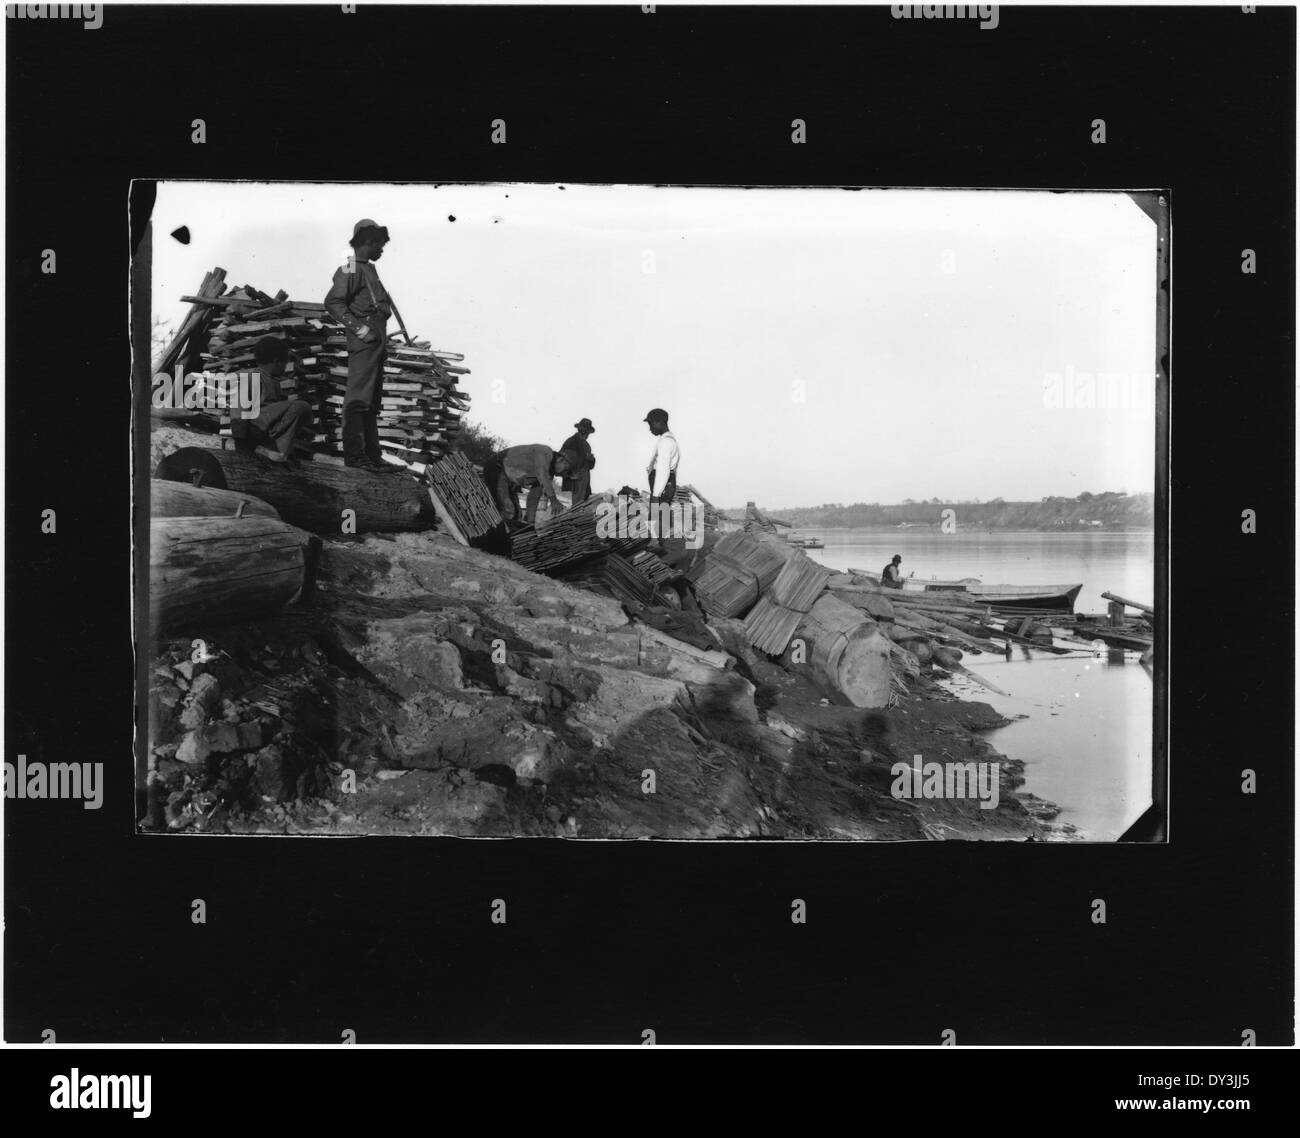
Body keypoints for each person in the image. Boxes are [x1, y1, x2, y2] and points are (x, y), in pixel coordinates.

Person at [323, 218, 402, 474]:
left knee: (370, 402)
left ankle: (372, 455)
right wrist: (360, 329)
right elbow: (333, 302)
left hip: (376, 343)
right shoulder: (349, 269)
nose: (381, 249)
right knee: (357, 399)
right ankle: (356, 457)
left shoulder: (369, 269)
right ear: (367, 242)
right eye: (379, 244)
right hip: (365, 341)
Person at [234, 336, 312, 467]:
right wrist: (241, 444)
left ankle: (279, 453)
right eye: (285, 364)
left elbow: (283, 422)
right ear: (276, 362)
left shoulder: (274, 382)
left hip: (265, 432)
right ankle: (268, 450)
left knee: (297, 411)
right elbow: (237, 413)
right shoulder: (253, 379)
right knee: (301, 407)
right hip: (253, 431)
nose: (285, 368)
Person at [484, 444, 575, 526]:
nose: (562, 475)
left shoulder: (548, 474)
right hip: (497, 468)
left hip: (508, 480)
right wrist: (553, 500)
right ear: (562, 460)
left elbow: (533, 497)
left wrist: (530, 522)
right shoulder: (545, 452)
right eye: (566, 470)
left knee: (517, 515)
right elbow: (541, 474)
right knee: (509, 510)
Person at [559, 417, 597, 503]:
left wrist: (591, 459)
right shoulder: (571, 441)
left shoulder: (586, 445)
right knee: (577, 505)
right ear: (583, 431)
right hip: (576, 478)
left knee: (582, 503)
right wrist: (569, 474)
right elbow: (561, 460)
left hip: (584, 479)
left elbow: (590, 466)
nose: (588, 435)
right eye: (587, 432)